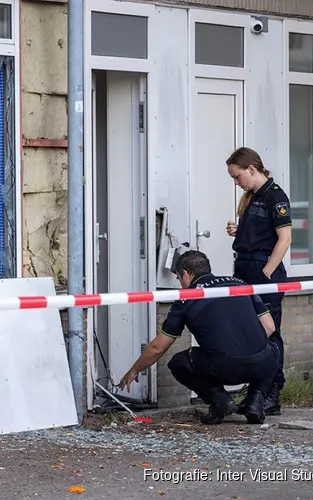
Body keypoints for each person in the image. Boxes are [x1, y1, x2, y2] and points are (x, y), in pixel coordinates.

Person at [117, 250, 280, 425]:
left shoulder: (187, 298)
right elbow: (269, 327)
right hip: (260, 365)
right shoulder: (240, 284)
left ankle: (220, 400)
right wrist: (247, 349)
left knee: (179, 362)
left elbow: (158, 348)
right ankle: (256, 401)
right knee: (273, 350)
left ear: (185, 274)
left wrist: (134, 370)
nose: (180, 284)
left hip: (223, 368)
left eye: (179, 279)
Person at [224, 146, 291, 417]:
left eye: (237, 176)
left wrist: (266, 273)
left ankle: (271, 391)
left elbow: (284, 239)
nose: (236, 182)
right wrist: (238, 232)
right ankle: (256, 391)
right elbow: (259, 233)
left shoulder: (275, 197)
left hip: (263, 273)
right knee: (250, 334)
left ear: (252, 169)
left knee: (269, 333)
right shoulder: (251, 199)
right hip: (245, 269)